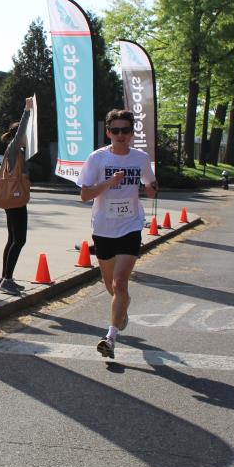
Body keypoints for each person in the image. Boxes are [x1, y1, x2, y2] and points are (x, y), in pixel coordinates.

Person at [78, 109, 157, 360]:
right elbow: (85, 195)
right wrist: (109, 183)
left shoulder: (140, 158)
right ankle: (122, 307)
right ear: (108, 132)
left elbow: (151, 184)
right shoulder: (97, 158)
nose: (121, 135)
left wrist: (151, 189)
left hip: (130, 226)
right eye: (116, 131)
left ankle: (110, 338)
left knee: (120, 282)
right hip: (103, 228)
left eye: (125, 130)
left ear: (132, 133)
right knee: (111, 285)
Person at [0, 97, 33, 295]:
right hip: (15, 199)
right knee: (19, 240)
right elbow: (20, 132)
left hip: (14, 199)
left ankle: (5, 278)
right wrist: (27, 110)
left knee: (12, 239)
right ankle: (7, 280)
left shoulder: (17, 151)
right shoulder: (13, 148)